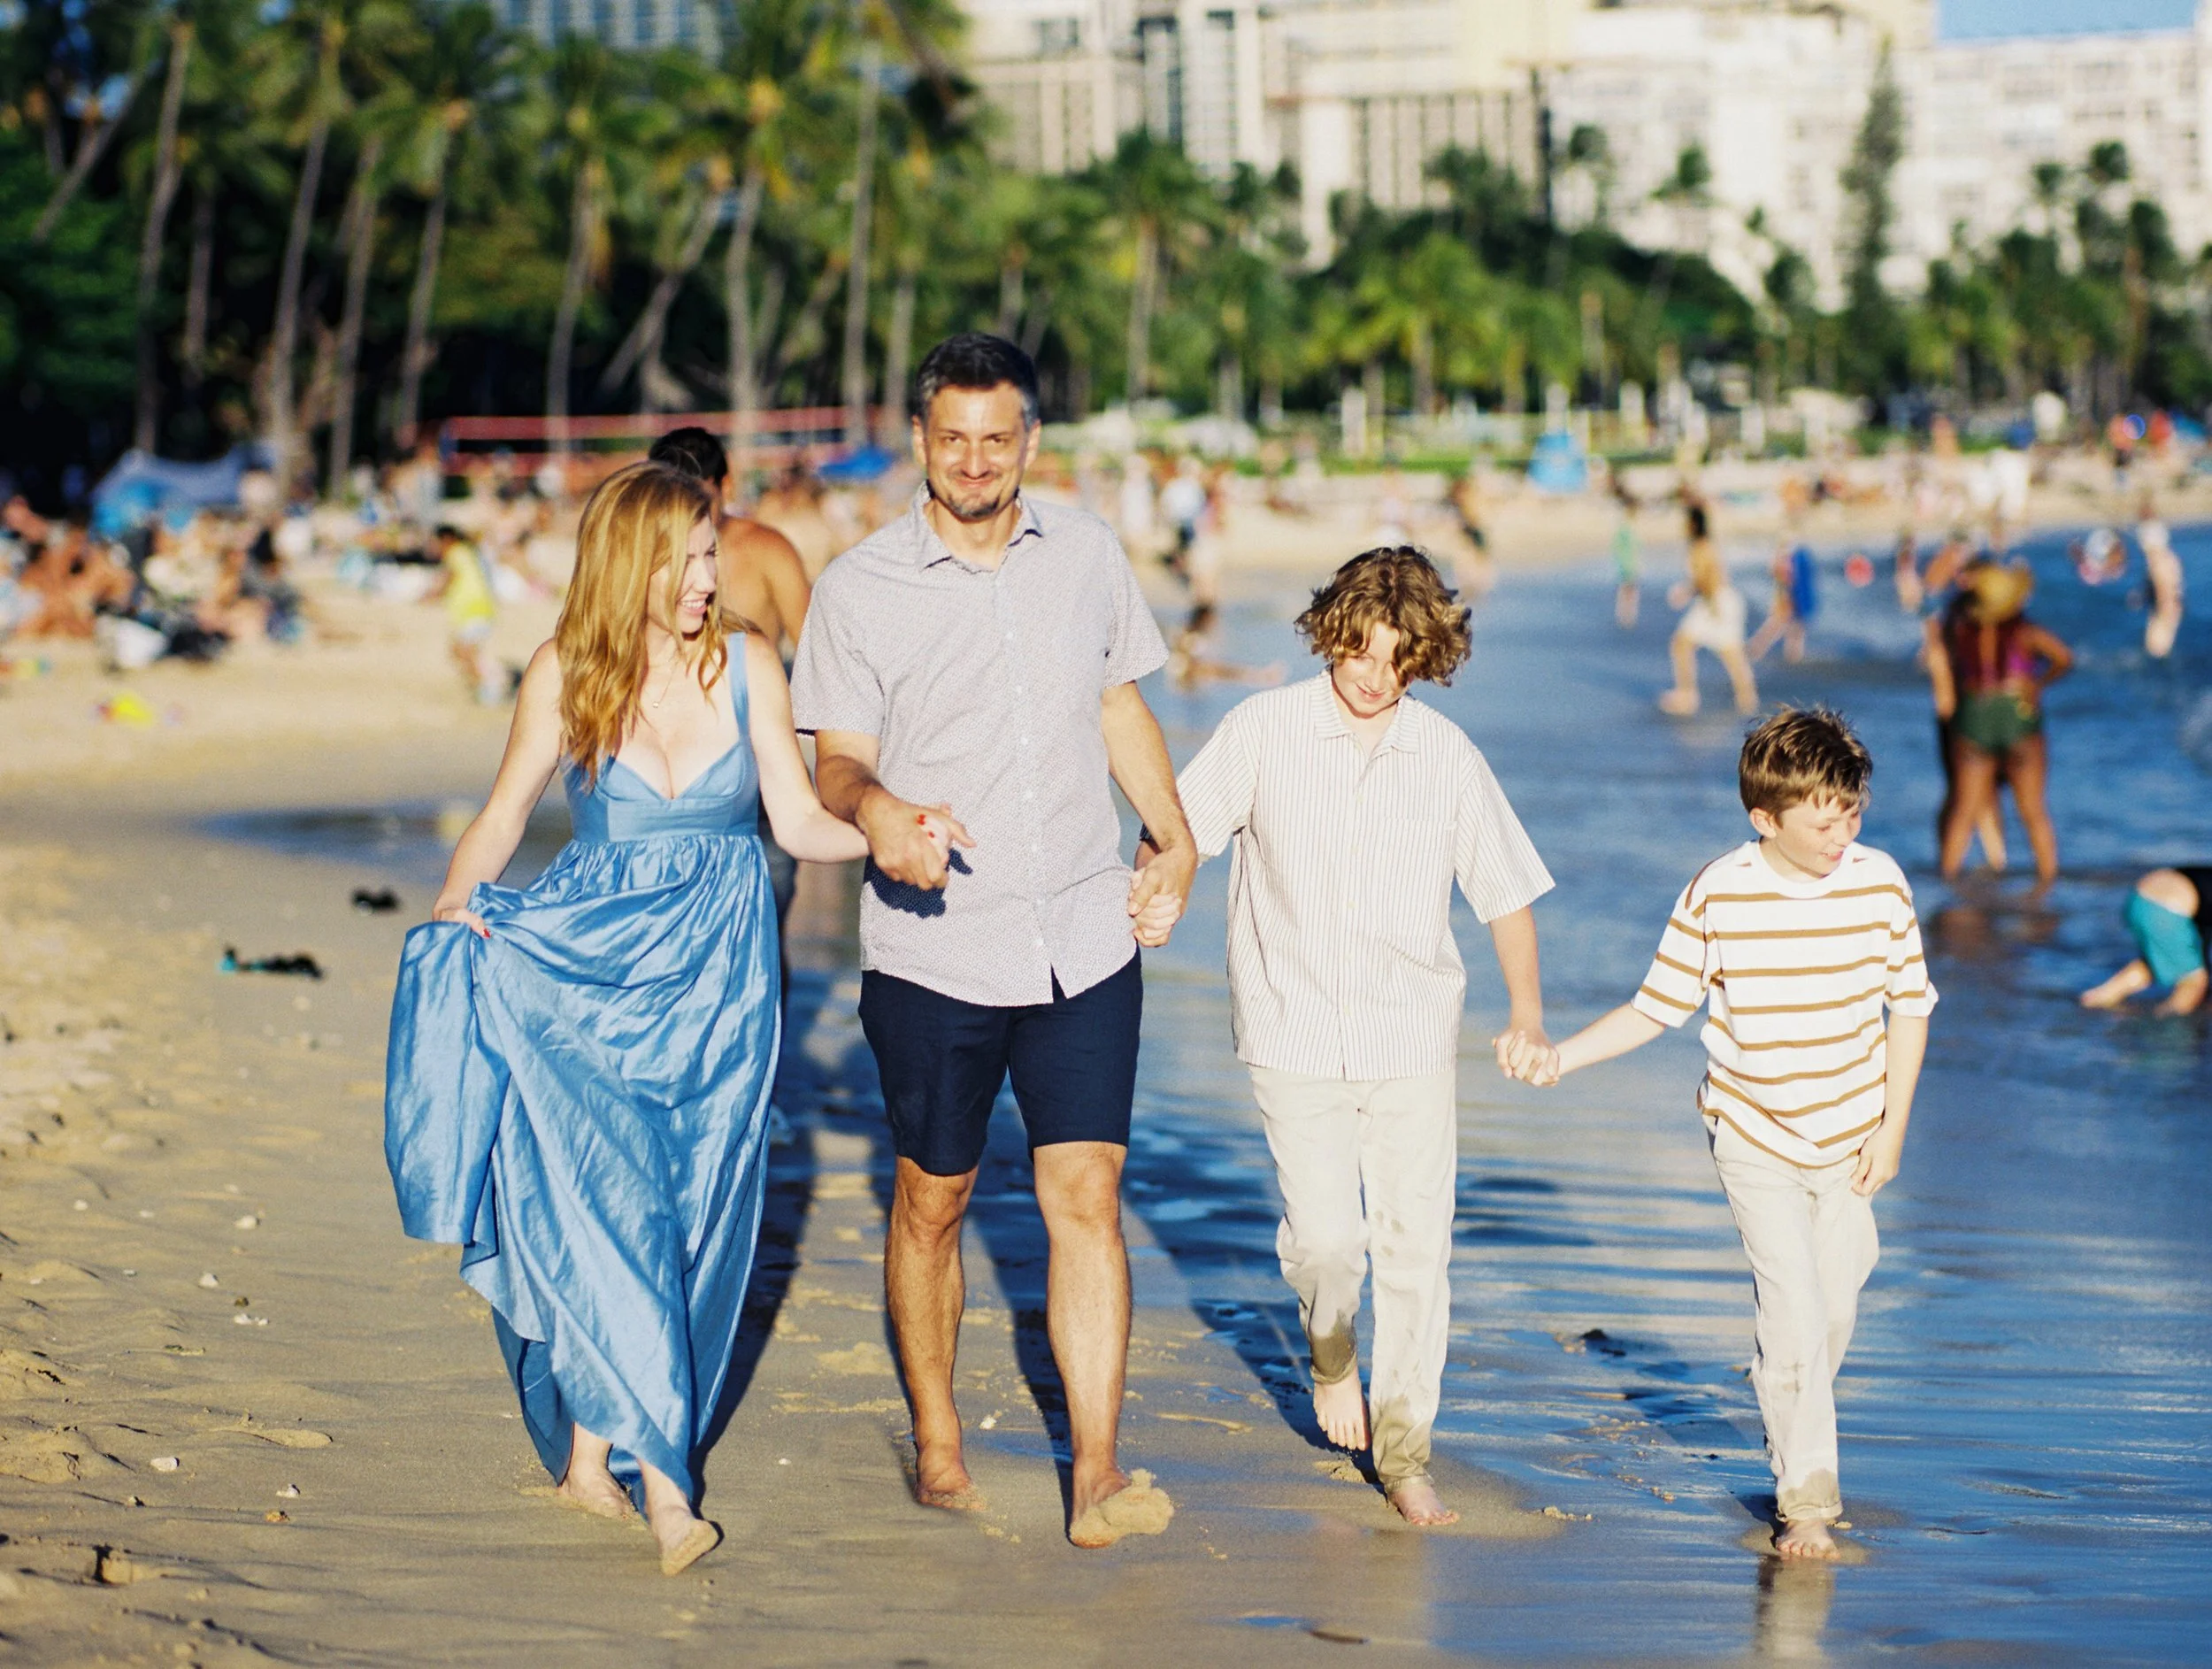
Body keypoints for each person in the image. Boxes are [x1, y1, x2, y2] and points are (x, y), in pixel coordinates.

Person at [383, 463, 898, 1576]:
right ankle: (670, 1491)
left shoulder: (753, 665)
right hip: (587, 973)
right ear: (637, 563)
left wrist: (893, 837)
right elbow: (503, 814)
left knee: (691, 1211)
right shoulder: (563, 670)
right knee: (602, 1204)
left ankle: (584, 1461)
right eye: (695, 558)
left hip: (720, 981)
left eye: (715, 555)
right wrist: (453, 916)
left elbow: (801, 822)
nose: (714, 577)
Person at [789, 333, 1195, 1549]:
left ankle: (1097, 1470)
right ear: (922, 441)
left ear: (1030, 441)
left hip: (1082, 926)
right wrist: (879, 815)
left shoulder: (1085, 555)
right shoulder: (859, 586)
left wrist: (1171, 836)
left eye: (997, 437)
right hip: (934, 946)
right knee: (934, 1196)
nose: (974, 460)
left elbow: (1118, 701)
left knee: (1089, 1189)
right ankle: (942, 1435)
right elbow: (838, 759)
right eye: (952, 437)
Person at [1166, 547, 1554, 1527]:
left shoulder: (1447, 755)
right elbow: (1182, 828)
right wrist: (1155, 889)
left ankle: (1407, 1445)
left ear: (1427, 658)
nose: (1374, 675)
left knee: (1417, 1247)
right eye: (1358, 650)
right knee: (1330, 1242)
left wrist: (1526, 1011)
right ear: (1328, 635)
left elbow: (1504, 892)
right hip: (1290, 1025)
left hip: (1412, 1032)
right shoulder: (1263, 728)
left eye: (1397, 658)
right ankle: (1330, 1349)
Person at [1532, 708, 1937, 1561]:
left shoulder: (1880, 882)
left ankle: (1786, 1400)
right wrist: (1562, 1059)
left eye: (1853, 815)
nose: (1843, 835)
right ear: (1766, 819)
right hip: (1752, 1136)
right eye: (1824, 822)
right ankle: (1808, 1503)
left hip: (1854, 1135)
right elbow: (1657, 1007)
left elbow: (1910, 1006)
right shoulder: (1720, 890)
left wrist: (1894, 1132)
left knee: (1832, 1308)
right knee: (1791, 1311)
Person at [1925, 559, 2072, 883]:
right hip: (2016, 716)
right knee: (2033, 813)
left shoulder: (1960, 629)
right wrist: (2037, 684)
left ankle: (1946, 885)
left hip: (1974, 715)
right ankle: (2048, 887)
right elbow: (2064, 658)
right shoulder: (2026, 632)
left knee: (1963, 811)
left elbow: (1942, 661)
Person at [648, 427, 812, 657]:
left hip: (750, 687)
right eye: (673, 503)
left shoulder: (768, 550)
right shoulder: (640, 554)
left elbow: (813, 654)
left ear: (725, 486)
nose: (689, 516)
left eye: (698, 501)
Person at [1660, 502, 1758, 716]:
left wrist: (1685, 593)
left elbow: (1708, 577)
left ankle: (1689, 696)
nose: (1683, 526)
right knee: (1717, 649)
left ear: (1693, 524)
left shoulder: (1699, 547)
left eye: (1686, 522)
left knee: (1703, 647)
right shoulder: (1705, 545)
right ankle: (1746, 697)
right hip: (1718, 601)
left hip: (1716, 603)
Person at [2079, 867, 2212, 1016]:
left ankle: (2097, 1000)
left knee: (2155, 965)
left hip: (2138, 900)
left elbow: (2200, 949)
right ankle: (2168, 1026)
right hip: (2166, 908)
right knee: (2192, 981)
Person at [428, 524, 503, 704]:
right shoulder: (467, 552)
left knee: (464, 652)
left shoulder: (456, 553)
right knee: (462, 651)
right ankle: (484, 684)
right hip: (477, 609)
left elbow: (449, 577)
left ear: (446, 540)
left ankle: (489, 687)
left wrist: (430, 596)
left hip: (473, 610)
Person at [2137, 499, 2185, 659]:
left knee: (2157, 647)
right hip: (2165, 583)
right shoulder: (2166, 556)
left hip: (2165, 596)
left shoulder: (2158, 561)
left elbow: (2166, 594)